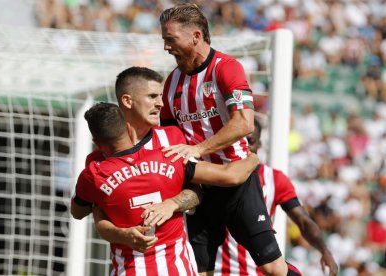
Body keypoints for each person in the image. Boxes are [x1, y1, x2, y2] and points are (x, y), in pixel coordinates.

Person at [159, 3, 300, 275]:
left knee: (272, 268)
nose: (166, 47)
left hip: (238, 183)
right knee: (199, 271)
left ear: (196, 36)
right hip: (199, 187)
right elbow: (167, 133)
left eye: (170, 39)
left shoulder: (226, 68)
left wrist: (197, 148)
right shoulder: (172, 82)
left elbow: (244, 124)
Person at [71, 102, 259, 275]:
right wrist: (253, 158)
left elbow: (78, 212)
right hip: (178, 268)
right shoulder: (169, 156)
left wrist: (102, 207)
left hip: (129, 270)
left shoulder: (93, 175)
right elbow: (226, 178)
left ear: (96, 143)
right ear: (129, 128)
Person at [215, 119, 338, 276]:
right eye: (240, 141)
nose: (244, 147)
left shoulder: (275, 179)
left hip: (260, 270)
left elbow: (303, 221)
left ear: (259, 144)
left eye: (250, 141)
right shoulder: (217, 175)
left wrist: (324, 250)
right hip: (220, 270)